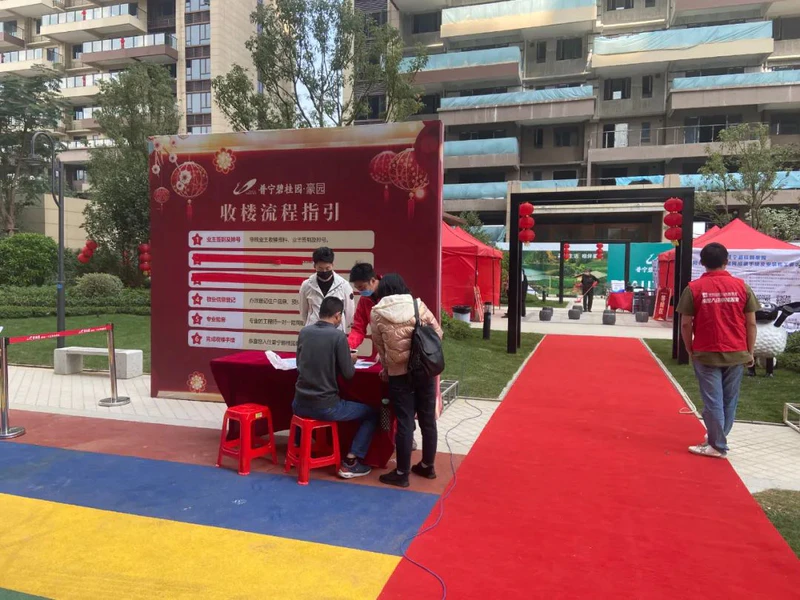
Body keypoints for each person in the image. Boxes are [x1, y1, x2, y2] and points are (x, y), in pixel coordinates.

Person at [677, 242, 759, 459]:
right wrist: (750, 351)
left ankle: (717, 445)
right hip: (737, 351)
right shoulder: (742, 287)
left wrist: (689, 348)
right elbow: (751, 323)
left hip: (705, 352)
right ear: (726, 261)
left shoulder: (693, 289)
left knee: (713, 401)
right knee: (729, 400)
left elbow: (685, 323)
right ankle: (718, 438)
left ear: (702, 262)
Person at [292, 296, 377, 478]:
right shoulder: (338, 337)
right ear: (338, 316)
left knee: (304, 412)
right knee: (372, 414)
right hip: (326, 406)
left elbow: (299, 365)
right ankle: (351, 461)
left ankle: (298, 449)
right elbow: (348, 374)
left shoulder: (304, 332)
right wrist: (350, 360)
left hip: (299, 403)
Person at [371, 274, 443, 488]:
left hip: (399, 375)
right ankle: (428, 466)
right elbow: (438, 333)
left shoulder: (377, 312)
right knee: (427, 420)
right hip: (424, 371)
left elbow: (380, 347)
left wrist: (387, 368)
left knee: (404, 422)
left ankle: (402, 473)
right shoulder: (417, 305)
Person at [299, 247, 355, 332]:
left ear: (332, 265)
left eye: (327, 268)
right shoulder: (306, 285)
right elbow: (303, 311)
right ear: (314, 266)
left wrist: (341, 326)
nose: (324, 271)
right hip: (313, 331)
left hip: (336, 332)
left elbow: (349, 313)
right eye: (320, 268)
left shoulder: (344, 285)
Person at [348, 262, 381, 353]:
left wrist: (387, 351)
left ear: (372, 280)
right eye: (357, 288)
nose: (360, 291)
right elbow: (358, 328)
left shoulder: (391, 290)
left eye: (362, 287)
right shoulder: (364, 300)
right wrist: (348, 347)